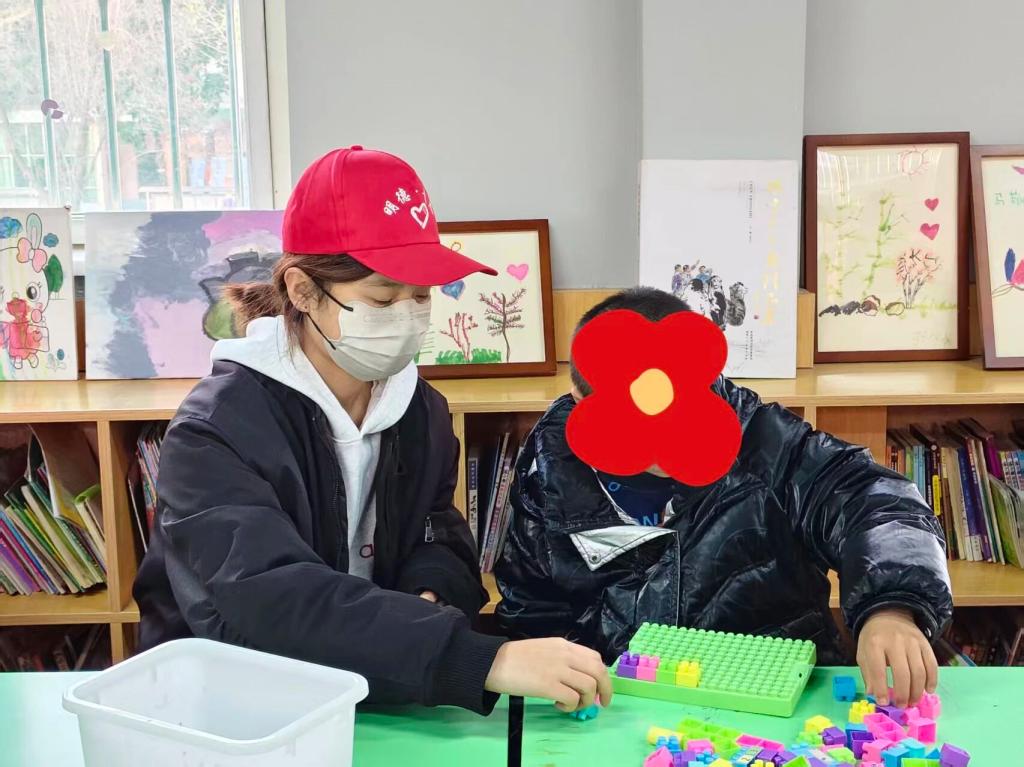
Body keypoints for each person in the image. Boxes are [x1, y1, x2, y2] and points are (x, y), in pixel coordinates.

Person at [134, 146, 610, 715]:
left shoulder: (418, 409)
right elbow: (266, 596)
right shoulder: (216, 430)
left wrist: (428, 597)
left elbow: (438, 533)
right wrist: (476, 658)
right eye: (383, 297)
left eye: (421, 297)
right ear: (303, 290)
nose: (407, 317)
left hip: (373, 686)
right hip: (234, 703)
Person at [495, 287, 952, 708]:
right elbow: (531, 610)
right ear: (581, 397)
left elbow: (873, 499)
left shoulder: (766, 442)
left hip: (771, 698)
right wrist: (553, 677)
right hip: (616, 704)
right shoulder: (550, 470)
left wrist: (892, 606)